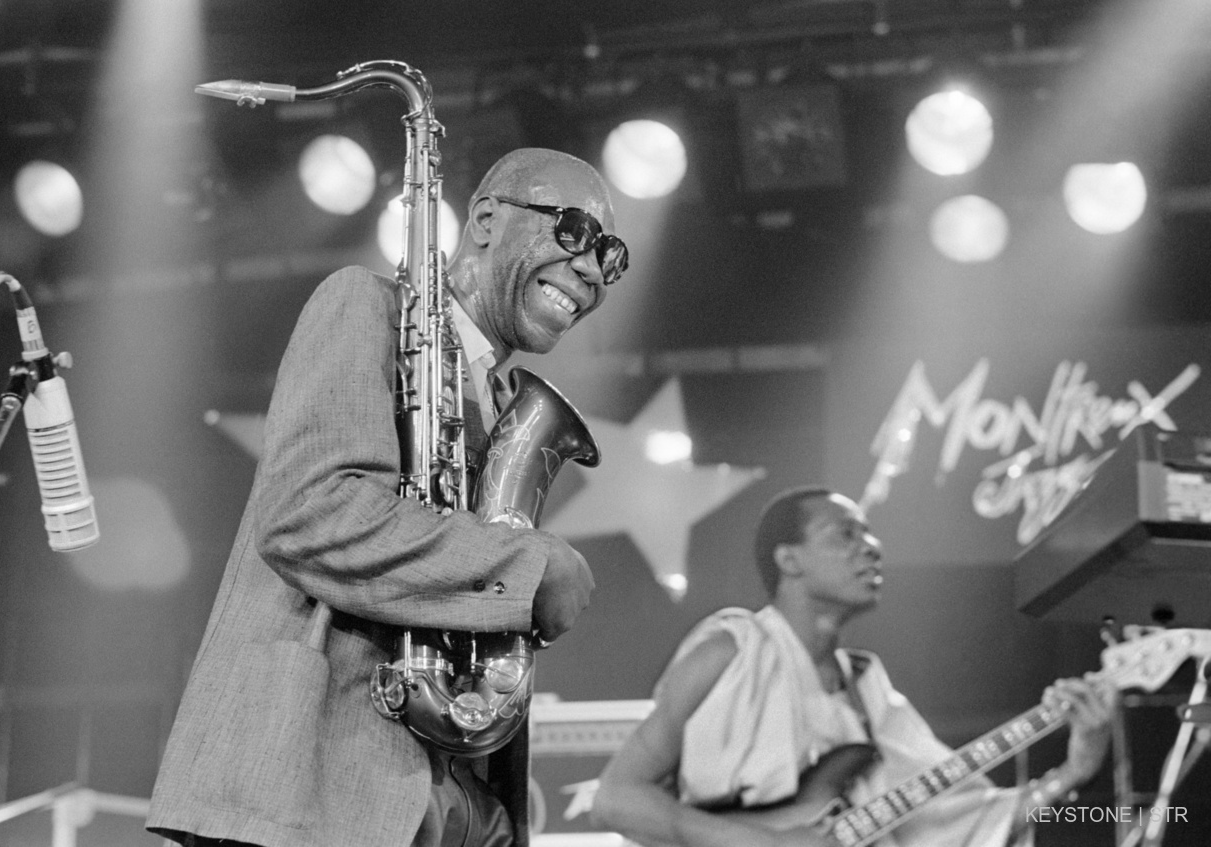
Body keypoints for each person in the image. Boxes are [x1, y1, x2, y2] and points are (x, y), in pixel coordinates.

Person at [146, 148, 628, 847]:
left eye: (611, 257)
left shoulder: (502, 401)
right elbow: (311, 513)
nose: (591, 269)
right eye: (576, 231)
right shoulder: (366, 304)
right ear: (488, 218)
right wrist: (528, 566)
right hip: (318, 794)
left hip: (458, 803)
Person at [591, 486, 1117, 847]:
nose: (872, 547)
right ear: (788, 559)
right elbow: (616, 800)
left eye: (869, 534)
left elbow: (965, 824)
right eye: (846, 534)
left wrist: (1074, 771)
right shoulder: (730, 648)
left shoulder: (869, 691)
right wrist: (765, 843)